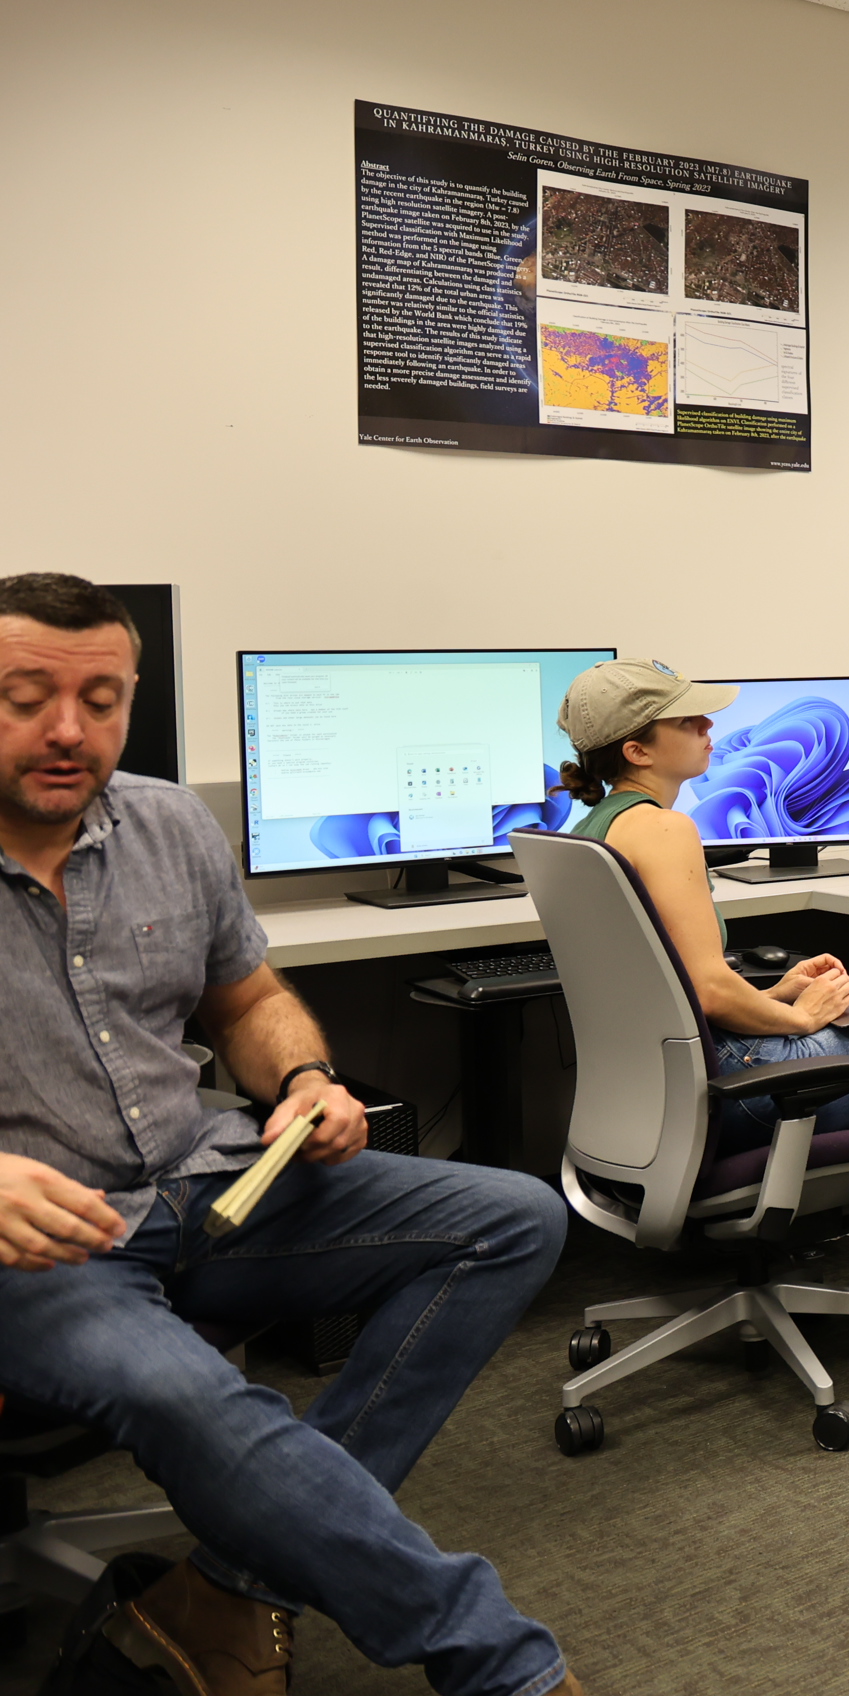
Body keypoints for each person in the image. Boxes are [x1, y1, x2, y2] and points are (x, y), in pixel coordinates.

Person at [0, 574, 586, 1696]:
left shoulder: (168, 822)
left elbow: (248, 998)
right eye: (26, 696)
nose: (70, 728)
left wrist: (305, 1076)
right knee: (192, 1399)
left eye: (101, 697)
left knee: (511, 1217)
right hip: (48, 1244)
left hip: (209, 1184)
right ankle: (503, 1667)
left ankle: (233, 1585)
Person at [558, 658, 849, 1356]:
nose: (711, 728)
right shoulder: (665, 831)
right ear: (638, 751)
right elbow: (707, 991)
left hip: (660, 1101)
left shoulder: (589, 834)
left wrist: (774, 991)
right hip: (734, 1098)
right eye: (688, 720)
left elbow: (670, 996)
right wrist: (799, 1018)